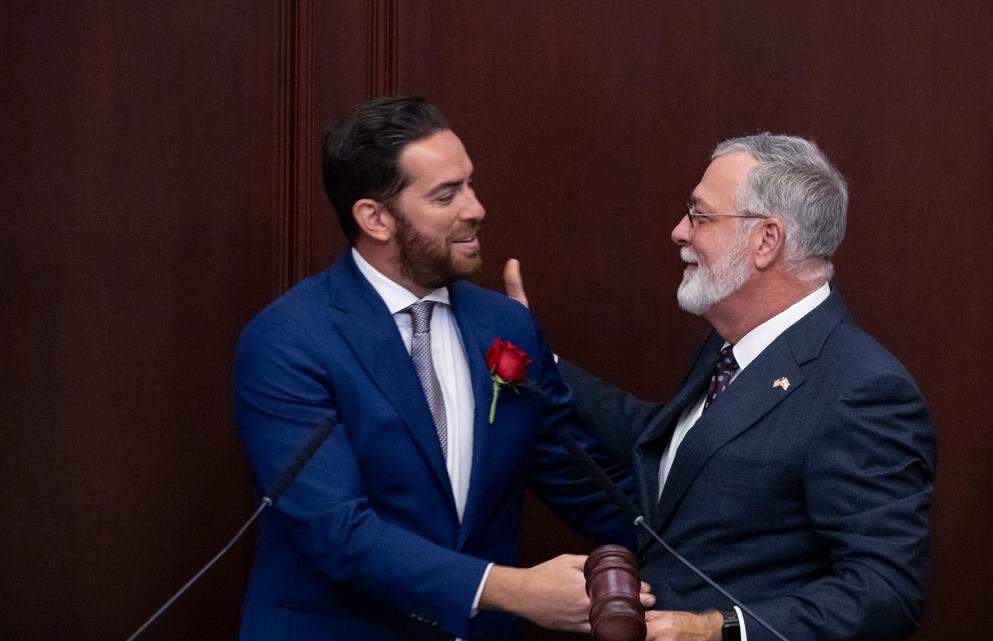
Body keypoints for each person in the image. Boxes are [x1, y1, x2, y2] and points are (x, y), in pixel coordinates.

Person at [233, 96, 648, 641]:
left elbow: (582, 483)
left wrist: (728, 558)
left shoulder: (507, 327)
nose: (475, 208)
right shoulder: (290, 340)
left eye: (470, 184)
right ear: (375, 218)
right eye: (446, 194)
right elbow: (336, 531)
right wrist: (509, 589)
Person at [505, 133, 936, 641]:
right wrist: (536, 358)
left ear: (765, 241)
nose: (678, 232)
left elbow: (885, 592)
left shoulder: (863, 390)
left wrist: (716, 629)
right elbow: (673, 446)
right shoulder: (729, 344)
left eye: (699, 216)